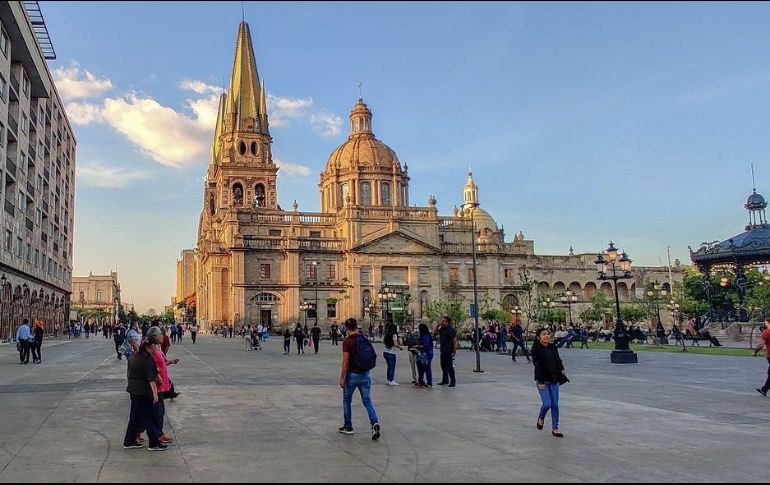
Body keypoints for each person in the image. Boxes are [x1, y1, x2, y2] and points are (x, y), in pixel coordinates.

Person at [338, 318, 380, 440]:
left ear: (346, 328)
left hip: (352, 375)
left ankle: (348, 426)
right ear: (356, 326)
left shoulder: (347, 342)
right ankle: (374, 422)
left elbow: (346, 361)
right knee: (367, 401)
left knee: (347, 400)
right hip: (365, 374)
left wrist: (342, 377)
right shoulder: (364, 338)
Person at [123, 333, 165, 451]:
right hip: (144, 392)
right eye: (156, 346)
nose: (157, 348)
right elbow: (150, 378)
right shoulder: (148, 359)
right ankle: (154, 443)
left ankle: (129, 441)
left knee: (135, 417)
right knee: (151, 417)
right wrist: (155, 394)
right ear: (151, 346)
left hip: (133, 390)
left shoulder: (134, 356)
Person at [531, 328, 568, 438]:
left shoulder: (552, 347)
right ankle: (541, 417)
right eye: (543, 334)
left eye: (547, 334)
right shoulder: (536, 349)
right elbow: (537, 365)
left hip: (554, 378)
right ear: (538, 337)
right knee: (547, 403)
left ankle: (555, 428)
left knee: (555, 405)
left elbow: (558, 359)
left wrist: (561, 369)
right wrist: (541, 381)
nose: (546, 336)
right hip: (542, 380)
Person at [434, 317, 458, 387]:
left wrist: (454, 350)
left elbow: (454, 340)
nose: (442, 322)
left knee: (450, 366)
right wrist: (438, 325)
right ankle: (445, 380)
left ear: (447, 322)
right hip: (443, 350)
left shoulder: (450, 330)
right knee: (443, 366)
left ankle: (453, 381)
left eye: (444, 321)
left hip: (448, 350)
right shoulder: (442, 329)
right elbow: (435, 333)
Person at [754, 318, 770, 396]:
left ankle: (764, 389)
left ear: (767, 323)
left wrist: (755, 352)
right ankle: (764, 389)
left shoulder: (766, 332)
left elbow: (760, 345)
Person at [414, 323, 434, 388]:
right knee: (420, 367)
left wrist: (418, 346)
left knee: (427, 367)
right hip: (422, 353)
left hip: (427, 353)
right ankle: (421, 381)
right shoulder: (423, 336)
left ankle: (429, 382)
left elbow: (425, 345)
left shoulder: (426, 336)